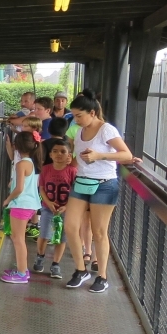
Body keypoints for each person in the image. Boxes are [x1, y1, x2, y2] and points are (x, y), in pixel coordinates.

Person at [63, 90, 133, 292]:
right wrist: (71, 161)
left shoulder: (106, 130)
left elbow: (126, 154)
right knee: (70, 226)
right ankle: (80, 269)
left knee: (99, 232)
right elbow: (80, 158)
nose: (75, 120)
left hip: (104, 184)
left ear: (92, 113)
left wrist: (99, 156)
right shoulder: (78, 131)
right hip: (81, 182)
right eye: (74, 116)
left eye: (78, 116)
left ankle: (102, 276)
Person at [1, 130, 43, 284]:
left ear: (17, 146)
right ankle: (22, 269)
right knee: (17, 238)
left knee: (18, 239)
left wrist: (7, 199)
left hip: (21, 204)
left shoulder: (21, 164)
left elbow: (19, 188)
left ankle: (21, 274)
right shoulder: (33, 162)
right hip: (30, 204)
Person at [32, 138, 76, 279]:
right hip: (47, 208)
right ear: (50, 154)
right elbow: (42, 188)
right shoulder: (46, 169)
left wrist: (67, 206)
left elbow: (76, 192)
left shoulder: (72, 171)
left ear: (69, 155)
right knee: (44, 234)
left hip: (65, 210)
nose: (59, 154)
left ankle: (56, 264)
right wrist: (48, 202)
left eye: (63, 152)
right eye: (55, 151)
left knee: (62, 238)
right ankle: (40, 256)